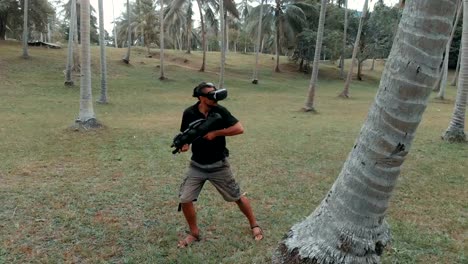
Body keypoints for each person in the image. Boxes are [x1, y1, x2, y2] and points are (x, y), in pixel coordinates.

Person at [176, 82, 263, 248]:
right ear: (201, 98)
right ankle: (194, 233)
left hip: (219, 165)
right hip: (197, 165)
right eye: (210, 95)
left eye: (215, 94)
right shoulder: (189, 113)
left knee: (236, 196)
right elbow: (185, 136)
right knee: (185, 199)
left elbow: (239, 128)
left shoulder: (220, 111)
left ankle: (254, 224)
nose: (215, 98)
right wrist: (184, 146)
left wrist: (217, 133)